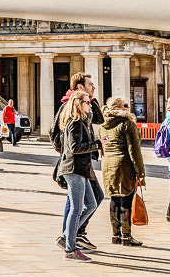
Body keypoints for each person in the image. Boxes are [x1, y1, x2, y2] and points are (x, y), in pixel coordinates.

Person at [50, 73, 106, 248]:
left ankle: (73, 234)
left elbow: (100, 119)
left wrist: (92, 99)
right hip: (74, 162)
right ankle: (72, 237)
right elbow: (55, 133)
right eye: (90, 85)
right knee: (81, 202)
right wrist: (67, 153)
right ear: (80, 87)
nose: (94, 87)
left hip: (83, 162)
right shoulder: (69, 107)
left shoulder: (84, 108)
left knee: (85, 200)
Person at [56, 91, 99, 261]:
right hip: (74, 170)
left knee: (91, 203)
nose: (90, 105)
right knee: (76, 208)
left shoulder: (82, 122)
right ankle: (70, 249)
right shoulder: (75, 123)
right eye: (87, 102)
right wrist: (97, 144)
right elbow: (75, 148)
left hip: (81, 169)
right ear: (78, 104)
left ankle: (67, 236)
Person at [100, 96, 146, 245]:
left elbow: (103, 148)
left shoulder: (103, 126)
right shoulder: (127, 124)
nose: (128, 107)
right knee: (126, 199)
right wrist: (140, 173)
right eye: (125, 105)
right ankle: (126, 236)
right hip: (124, 164)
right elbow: (134, 151)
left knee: (114, 199)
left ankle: (116, 235)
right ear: (118, 108)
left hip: (108, 165)